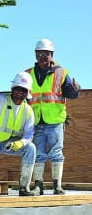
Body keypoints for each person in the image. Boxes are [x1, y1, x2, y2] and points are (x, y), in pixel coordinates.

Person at [26, 39, 81, 196]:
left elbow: (70, 93)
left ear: (52, 55)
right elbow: (23, 95)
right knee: (39, 153)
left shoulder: (61, 73)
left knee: (56, 152)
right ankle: (38, 186)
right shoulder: (28, 73)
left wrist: (76, 90)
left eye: (46, 54)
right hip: (36, 121)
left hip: (55, 121)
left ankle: (57, 186)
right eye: (40, 53)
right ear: (36, 54)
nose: (43, 56)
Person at [0, 72, 36, 196]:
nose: (20, 92)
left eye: (23, 90)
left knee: (30, 148)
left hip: (7, 143)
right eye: (17, 89)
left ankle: (24, 187)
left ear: (27, 93)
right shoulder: (2, 100)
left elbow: (29, 134)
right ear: (12, 89)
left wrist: (21, 143)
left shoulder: (28, 111)